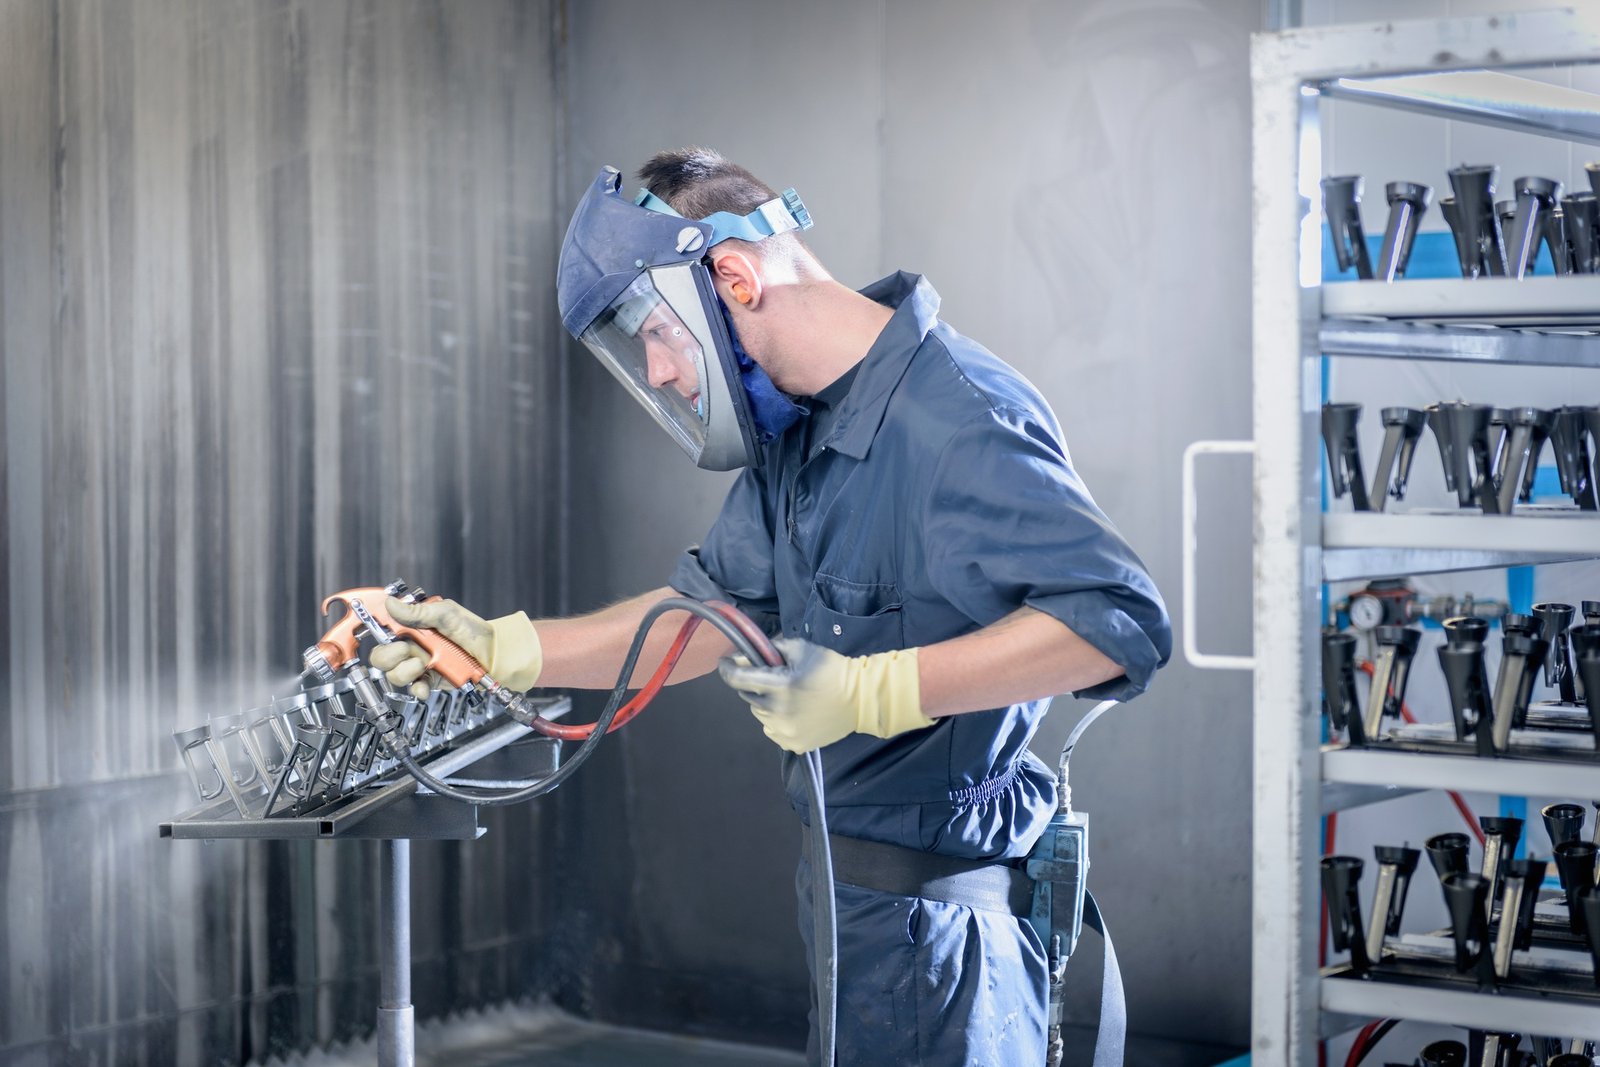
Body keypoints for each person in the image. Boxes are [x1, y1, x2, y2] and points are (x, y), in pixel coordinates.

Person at [371, 148, 1171, 1067]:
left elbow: (1118, 623)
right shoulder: (803, 428)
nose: (658, 372)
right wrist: (499, 646)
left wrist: (874, 690)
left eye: (656, 333)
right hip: (858, 914)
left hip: (946, 944)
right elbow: (705, 616)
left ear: (735, 278)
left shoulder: (955, 420)